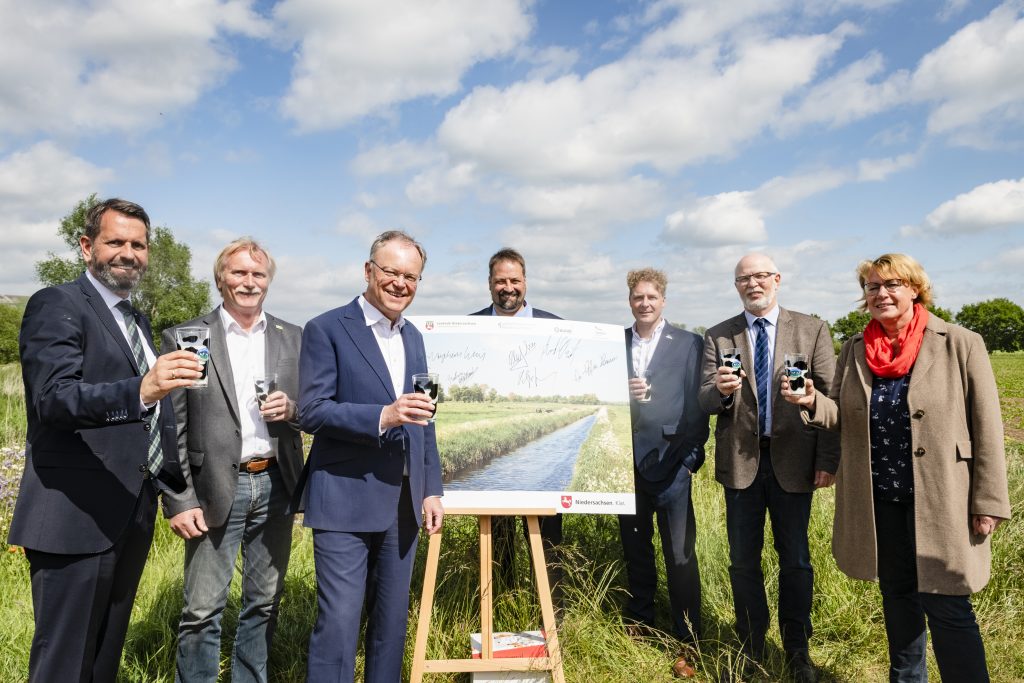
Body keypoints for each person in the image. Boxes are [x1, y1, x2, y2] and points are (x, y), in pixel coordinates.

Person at [782, 253, 1010, 682]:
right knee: (898, 598)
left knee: (947, 604)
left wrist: (989, 499)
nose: (881, 294)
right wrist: (812, 402)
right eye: (872, 287)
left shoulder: (959, 342)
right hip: (880, 501)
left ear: (914, 289)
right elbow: (846, 418)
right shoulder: (855, 348)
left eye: (892, 284)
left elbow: (988, 426)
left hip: (944, 501)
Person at [8, 198, 201, 682]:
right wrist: (141, 388)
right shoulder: (57, 304)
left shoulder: (135, 320)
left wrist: (172, 492)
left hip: (128, 513)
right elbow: (52, 400)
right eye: (116, 242)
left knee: (102, 661)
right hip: (73, 517)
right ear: (86, 246)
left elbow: (157, 418)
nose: (128, 253)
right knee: (63, 665)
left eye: (138, 244)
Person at [299, 230, 444, 682]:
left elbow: (424, 419)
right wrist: (383, 415)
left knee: (391, 625)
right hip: (344, 499)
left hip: (404, 506)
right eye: (392, 272)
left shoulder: (415, 336)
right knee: (339, 625)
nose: (401, 283)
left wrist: (432, 489)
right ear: (368, 271)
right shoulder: (326, 328)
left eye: (411, 276)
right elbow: (312, 411)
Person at [161, 238, 304, 683]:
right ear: (221, 278)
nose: (249, 282)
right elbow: (172, 427)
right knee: (202, 609)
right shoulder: (187, 337)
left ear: (269, 282)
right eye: (239, 273)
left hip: (277, 482)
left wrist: (293, 410)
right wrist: (180, 499)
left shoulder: (293, 337)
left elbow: (313, 407)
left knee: (264, 601)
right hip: (214, 488)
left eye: (258, 274)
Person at [699, 253, 838, 683]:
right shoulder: (719, 335)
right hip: (742, 464)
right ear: (736, 286)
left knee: (795, 561)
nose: (753, 284)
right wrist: (720, 393)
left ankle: (798, 650)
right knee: (743, 562)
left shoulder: (811, 329)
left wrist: (827, 459)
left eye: (760, 276)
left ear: (777, 280)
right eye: (744, 278)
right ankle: (750, 647)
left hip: (794, 463)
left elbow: (834, 401)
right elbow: (702, 401)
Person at [619, 268, 709, 679]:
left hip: (673, 465)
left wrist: (690, 459)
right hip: (626, 465)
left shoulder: (690, 343)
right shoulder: (616, 343)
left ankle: (687, 639)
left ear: (663, 300)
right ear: (630, 300)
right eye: (638, 297)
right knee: (636, 550)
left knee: (680, 556)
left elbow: (699, 406)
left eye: (652, 297)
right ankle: (639, 625)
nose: (644, 303)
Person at [468, 247, 563, 598]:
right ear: (489, 284)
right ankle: (501, 604)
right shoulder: (470, 326)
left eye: (514, 280)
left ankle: (555, 616)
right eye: (500, 281)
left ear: (526, 282)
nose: (508, 287)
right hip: (501, 441)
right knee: (497, 536)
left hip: (542, 444)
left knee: (549, 538)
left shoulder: (556, 328)